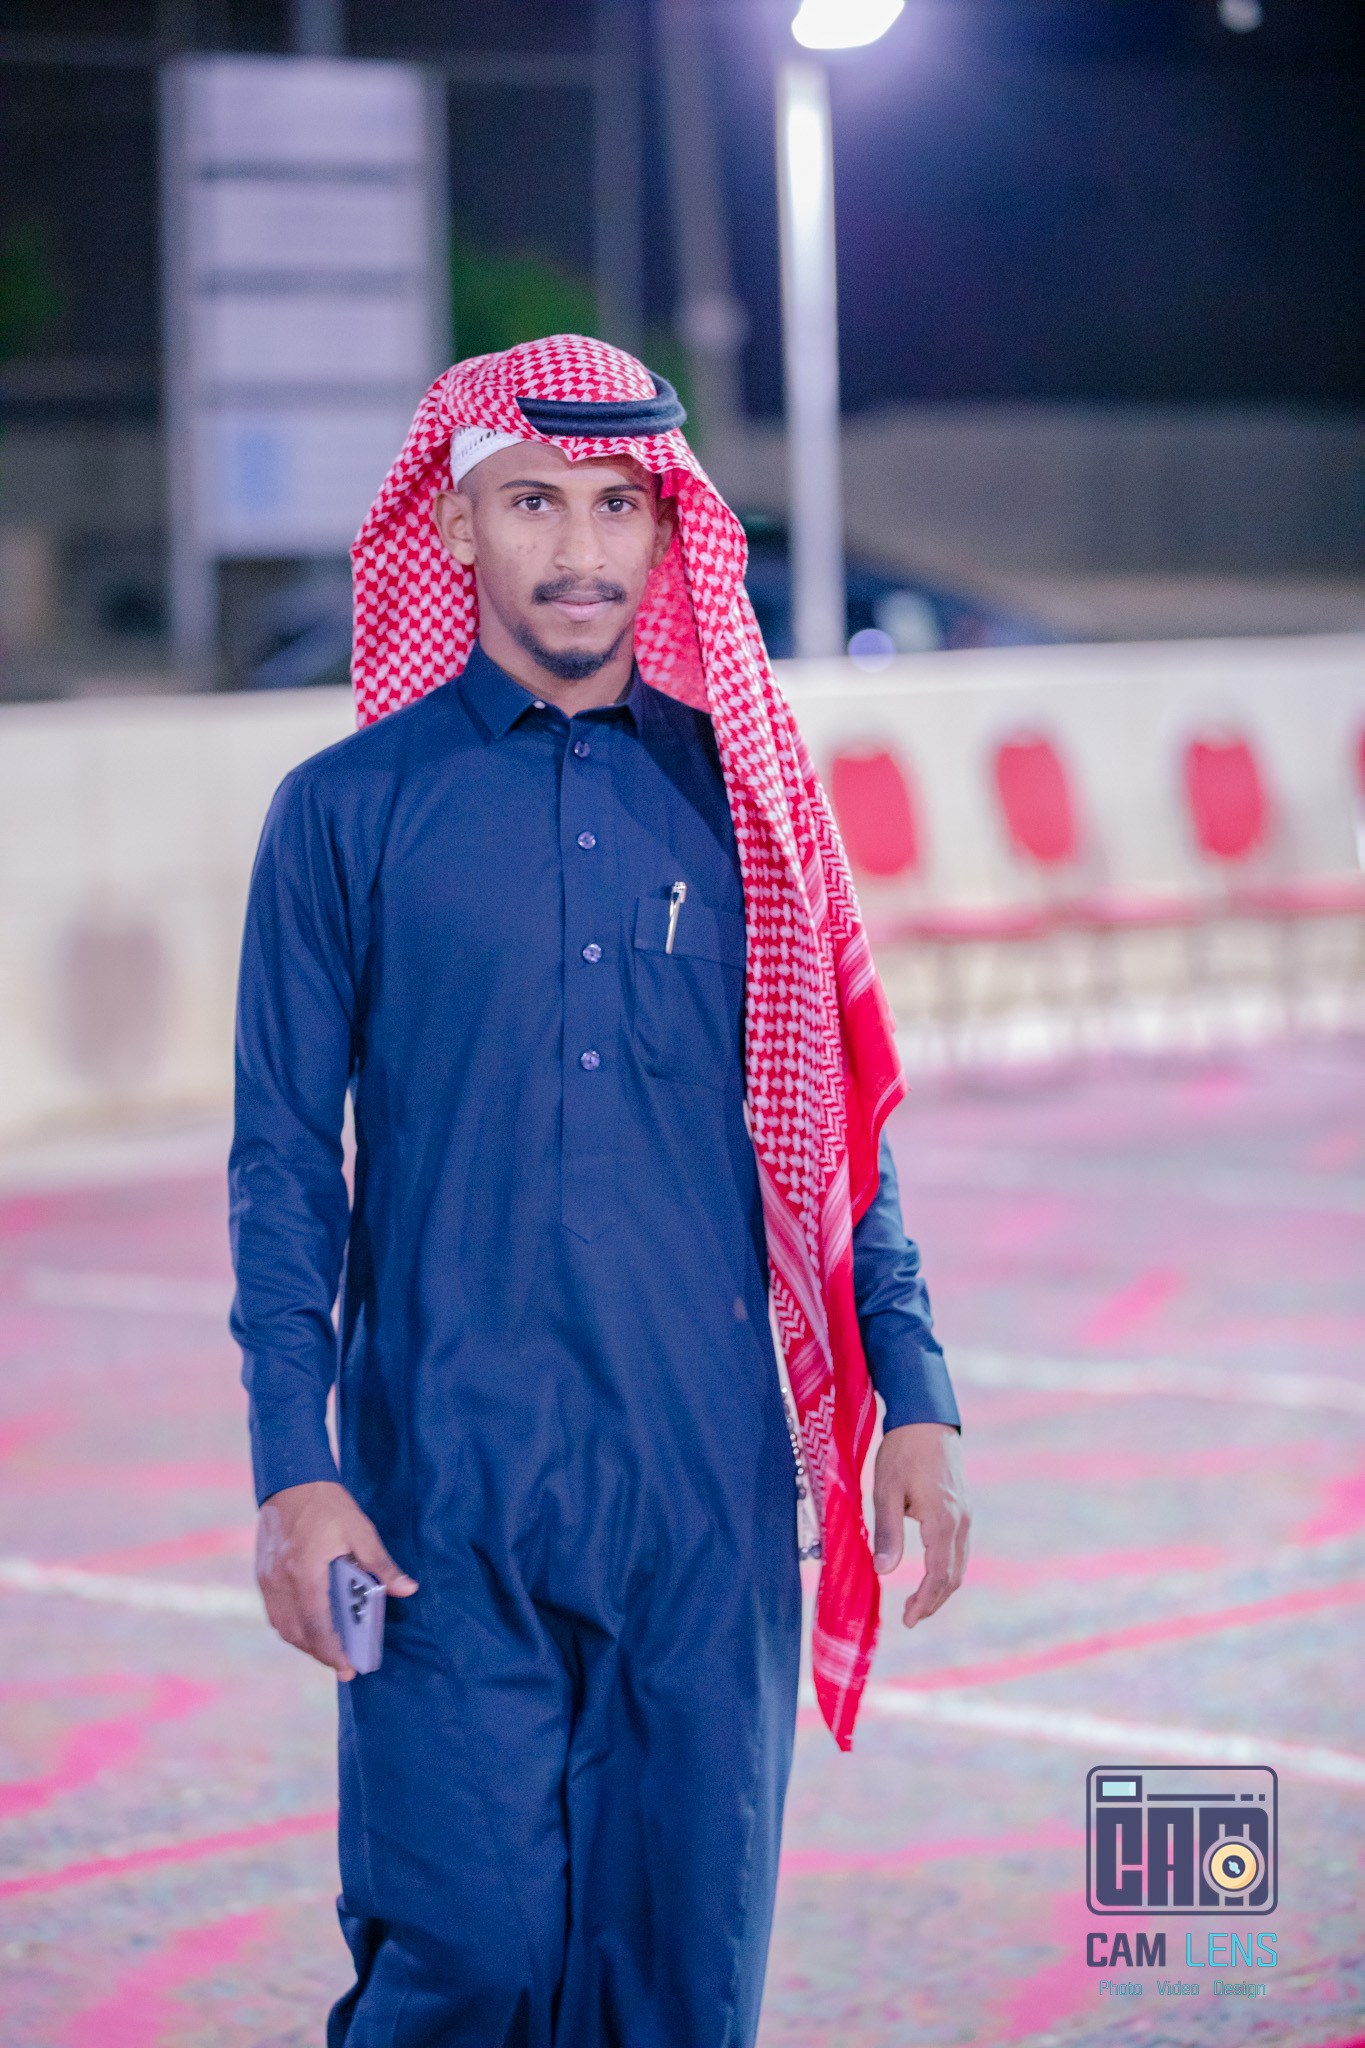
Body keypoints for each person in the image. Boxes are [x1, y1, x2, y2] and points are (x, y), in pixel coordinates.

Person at [231, 335, 969, 2048]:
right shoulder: (342, 814)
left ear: (666, 525)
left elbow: (832, 1133)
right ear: (454, 527)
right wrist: (292, 1470)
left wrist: (913, 1390)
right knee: (465, 1967)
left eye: (616, 505)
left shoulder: (748, 809)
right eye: (532, 503)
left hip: (703, 1490)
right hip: (439, 1492)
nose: (579, 548)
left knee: (677, 1987)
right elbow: (282, 1169)